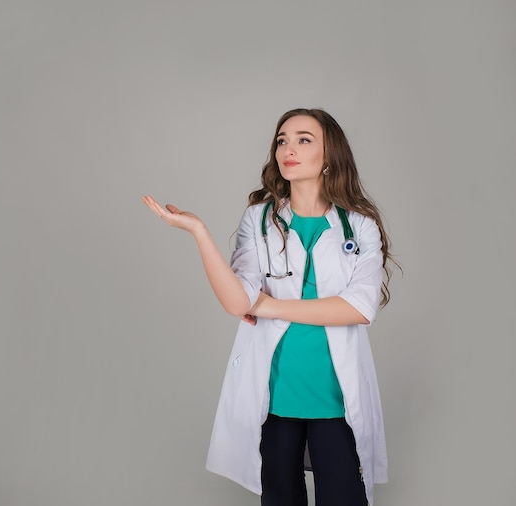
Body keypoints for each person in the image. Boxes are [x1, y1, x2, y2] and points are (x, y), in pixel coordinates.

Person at [142, 108, 396, 506]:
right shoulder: (259, 220)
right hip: (275, 396)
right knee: (280, 499)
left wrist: (270, 306)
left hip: (336, 398)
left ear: (330, 155)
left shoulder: (359, 225)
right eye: (282, 140)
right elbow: (236, 301)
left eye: (303, 139)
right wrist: (199, 232)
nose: (288, 149)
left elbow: (358, 308)